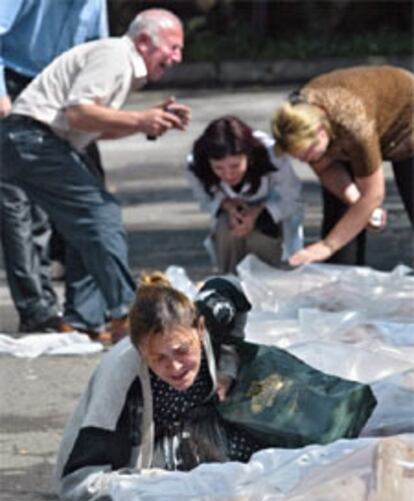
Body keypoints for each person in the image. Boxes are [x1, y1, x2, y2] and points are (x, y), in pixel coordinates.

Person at [0, 8, 191, 344]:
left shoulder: (119, 62)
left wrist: (150, 121)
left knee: (85, 227)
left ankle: (86, 319)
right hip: (32, 138)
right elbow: (78, 113)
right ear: (145, 41)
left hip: (35, 141)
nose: (176, 58)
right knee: (101, 216)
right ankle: (126, 314)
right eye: (172, 48)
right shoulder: (115, 55)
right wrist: (140, 119)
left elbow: (92, 127)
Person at [55, 272, 264, 501]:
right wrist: (156, 486)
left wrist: (227, 369)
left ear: (200, 328)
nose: (175, 367)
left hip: (195, 430)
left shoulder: (207, 315)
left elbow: (230, 287)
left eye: (182, 351)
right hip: (147, 463)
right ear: (140, 350)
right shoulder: (120, 373)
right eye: (159, 358)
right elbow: (76, 486)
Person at [0, 0, 109, 334]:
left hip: (66, 93)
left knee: (89, 196)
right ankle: (38, 311)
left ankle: (85, 311)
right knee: (20, 205)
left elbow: (99, 51)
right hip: (16, 84)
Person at [271, 65, 414, 267]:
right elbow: (326, 169)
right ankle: (343, 287)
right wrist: (358, 203)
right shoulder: (296, 117)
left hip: (407, 117)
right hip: (350, 125)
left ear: (321, 132)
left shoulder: (353, 123)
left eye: (309, 154)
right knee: (342, 214)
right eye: (301, 158)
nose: (308, 161)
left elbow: (374, 194)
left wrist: (327, 246)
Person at [187, 115, 304, 274]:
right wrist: (227, 205)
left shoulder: (271, 153)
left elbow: (292, 200)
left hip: (273, 217)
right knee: (226, 227)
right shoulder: (196, 163)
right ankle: (229, 280)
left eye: (235, 166)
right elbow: (205, 199)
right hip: (231, 218)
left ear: (248, 156)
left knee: (260, 236)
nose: (228, 175)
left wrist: (259, 211)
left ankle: (267, 282)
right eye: (218, 168)